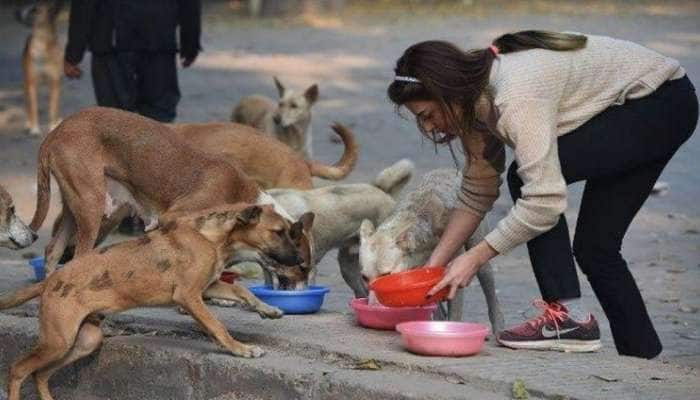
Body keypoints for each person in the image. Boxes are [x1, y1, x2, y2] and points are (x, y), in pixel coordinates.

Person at [387, 30, 697, 359]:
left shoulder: (514, 96)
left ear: (447, 92)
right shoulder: (472, 104)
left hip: (659, 103)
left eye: (428, 115)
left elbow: (544, 203)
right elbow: (478, 191)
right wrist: (433, 269)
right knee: (596, 248)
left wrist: (475, 257)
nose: (430, 128)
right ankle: (642, 359)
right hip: (647, 106)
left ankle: (562, 319)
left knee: (527, 181)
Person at [63, 0, 202, 123]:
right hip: (158, 36)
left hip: (112, 39)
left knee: (116, 119)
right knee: (159, 117)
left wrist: (74, 53)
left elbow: (83, 5)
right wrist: (190, 43)